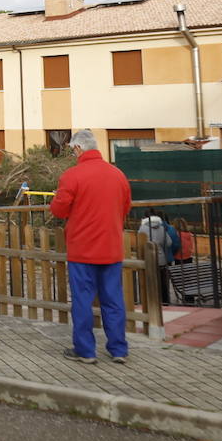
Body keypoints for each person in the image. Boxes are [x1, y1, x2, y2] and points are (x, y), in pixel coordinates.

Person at [49, 129, 132, 364]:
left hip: (82, 249)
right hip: (111, 246)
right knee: (113, 300)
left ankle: (85, 351)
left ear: (77, 148)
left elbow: (59, 210)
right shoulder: (118, 175)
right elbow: (125, 207)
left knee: (83, 301)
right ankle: (119, 349)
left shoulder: (72, 176)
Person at [138, 208, 177, 303]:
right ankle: (165, 303)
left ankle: (153, 303)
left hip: (149, 259)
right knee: (163, 284)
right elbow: (169, 243)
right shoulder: (162, 228)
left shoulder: (142, 228)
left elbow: (139, 243)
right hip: (162, 260)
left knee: (151, 284)